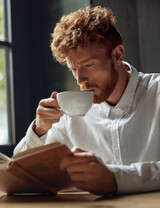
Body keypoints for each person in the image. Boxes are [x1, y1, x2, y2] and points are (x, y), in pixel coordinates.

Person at [14, 6, 160, 196]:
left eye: (88, 65)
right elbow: (19, 174)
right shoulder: (71, 114)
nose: (80, 80)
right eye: (73, 69)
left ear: (117, 55)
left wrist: (115, 179)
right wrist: (39, 130)